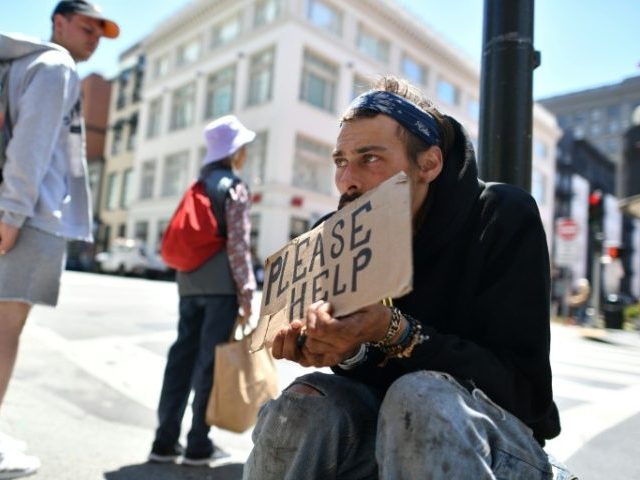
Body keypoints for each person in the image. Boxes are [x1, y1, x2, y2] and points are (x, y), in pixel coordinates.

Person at [243, 76, 566, 479]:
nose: (348, 180)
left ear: (428, 164)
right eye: (340, 161)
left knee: (419, 398)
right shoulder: (342, 234)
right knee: (304, 403)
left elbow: (525, 395)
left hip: (497, 442)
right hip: (386, 429)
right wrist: (345, 350)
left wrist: (396, 331)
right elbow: (370, 373)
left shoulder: (502, 215)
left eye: (370, 158)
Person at [0, 2, 118, 478]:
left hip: (15, 210)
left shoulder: (16, 64)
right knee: (5, 332)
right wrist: (10, 214)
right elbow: (32, 144)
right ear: (59, 23)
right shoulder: (56, 65)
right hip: (27, 218)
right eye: (86, 27)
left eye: (99, 32)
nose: (93, 38)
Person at [149, 115, 257, 466]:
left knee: (180, 359)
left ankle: (164, 442)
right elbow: (238, 248)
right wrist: (246, 295)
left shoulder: (197, 185)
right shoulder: (234, 187)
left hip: (188, 284)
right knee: (209, 364)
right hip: (221, 290)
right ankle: (198, 444)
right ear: (234, 150)